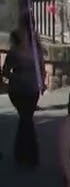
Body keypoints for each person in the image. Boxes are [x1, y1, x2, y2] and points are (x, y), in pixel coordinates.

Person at [3, 24, 41, 168]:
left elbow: (41, 67)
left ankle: (22, 154)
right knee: (26, 120)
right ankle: (30, 155)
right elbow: (6, 72)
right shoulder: (13, 52)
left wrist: (41, 83)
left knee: (26, 120)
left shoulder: (36, 51)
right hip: (17, 90)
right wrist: (16, 76)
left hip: (32, 90)